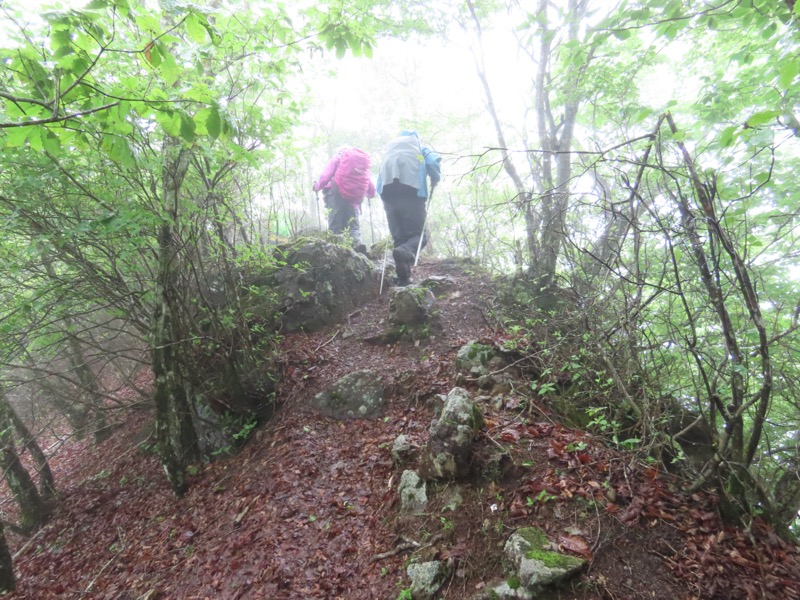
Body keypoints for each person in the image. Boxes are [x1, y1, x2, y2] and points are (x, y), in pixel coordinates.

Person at [376, 130, 441, 286]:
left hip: (388, 194)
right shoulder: (419, 147)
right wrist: (435, 179)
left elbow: (379, 176)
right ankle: (405, 258)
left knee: (400, 240)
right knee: (419, 237)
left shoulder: (390, 150)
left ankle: (404, 279)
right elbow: (432, 163)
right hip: (411, 192)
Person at [313, 146, 376, 254]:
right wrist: (371, 193)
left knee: (335, 226)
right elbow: (368, 182)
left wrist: (317, 186)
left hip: (336, 195)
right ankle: (357, 247)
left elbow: (326, 174)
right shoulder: (359, 165)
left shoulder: (338, 158)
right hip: (354, 200)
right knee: (353, 227)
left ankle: (335, 253)